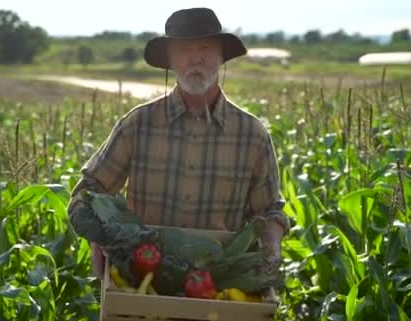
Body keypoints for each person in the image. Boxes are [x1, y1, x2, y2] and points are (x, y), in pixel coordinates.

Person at [68, 7, 289, 280]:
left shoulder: (251, 134)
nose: (196, 58)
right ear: (170, 60)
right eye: (184, 50)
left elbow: (268, 211)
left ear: (221, 57)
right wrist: (97, 241)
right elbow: (89, 191)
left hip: (219, 285)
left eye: (206, 48)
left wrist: (272, 247)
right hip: (140, 274)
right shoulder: (138, 124)